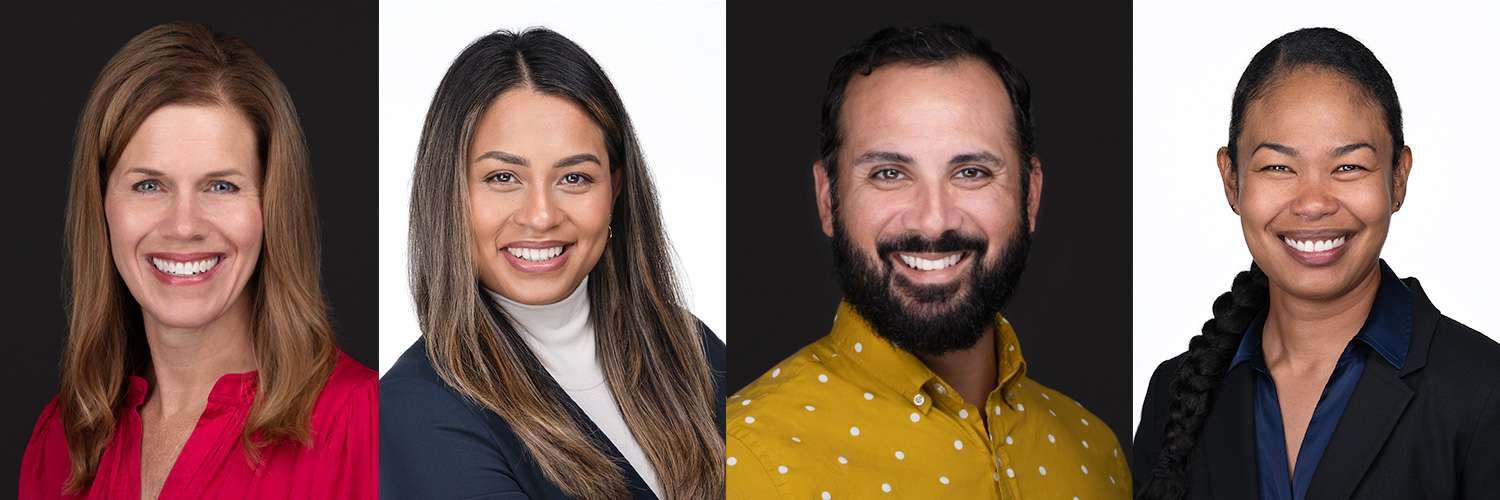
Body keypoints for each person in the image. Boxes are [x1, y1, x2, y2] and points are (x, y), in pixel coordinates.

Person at [726, 24, 1130, 499]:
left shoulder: (1095, 454)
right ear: (827, 198)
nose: (933, 221)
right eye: (889, 173)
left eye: (972, 172)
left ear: (1031, 194)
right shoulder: (740, 459)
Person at [1133, 28, 1500, 500]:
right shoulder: (1174, 392)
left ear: (1399, 177)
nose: (1313, 202)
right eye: (1278, 167)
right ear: (1231, 180)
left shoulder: (1482, 390)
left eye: (1348, 167)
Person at [19, 22, 377, 499]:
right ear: (102, 205)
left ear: (271, 206)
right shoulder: (64, 439)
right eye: (149, 185)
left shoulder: (366, 423)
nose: (184, 225)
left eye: (221, 186)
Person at [379, 28, 725, 500]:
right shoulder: (416, 410)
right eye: (503, 177)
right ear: (449, 191)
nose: (541, 215)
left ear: (615, 188)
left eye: (575, 177)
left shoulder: (692, 349)